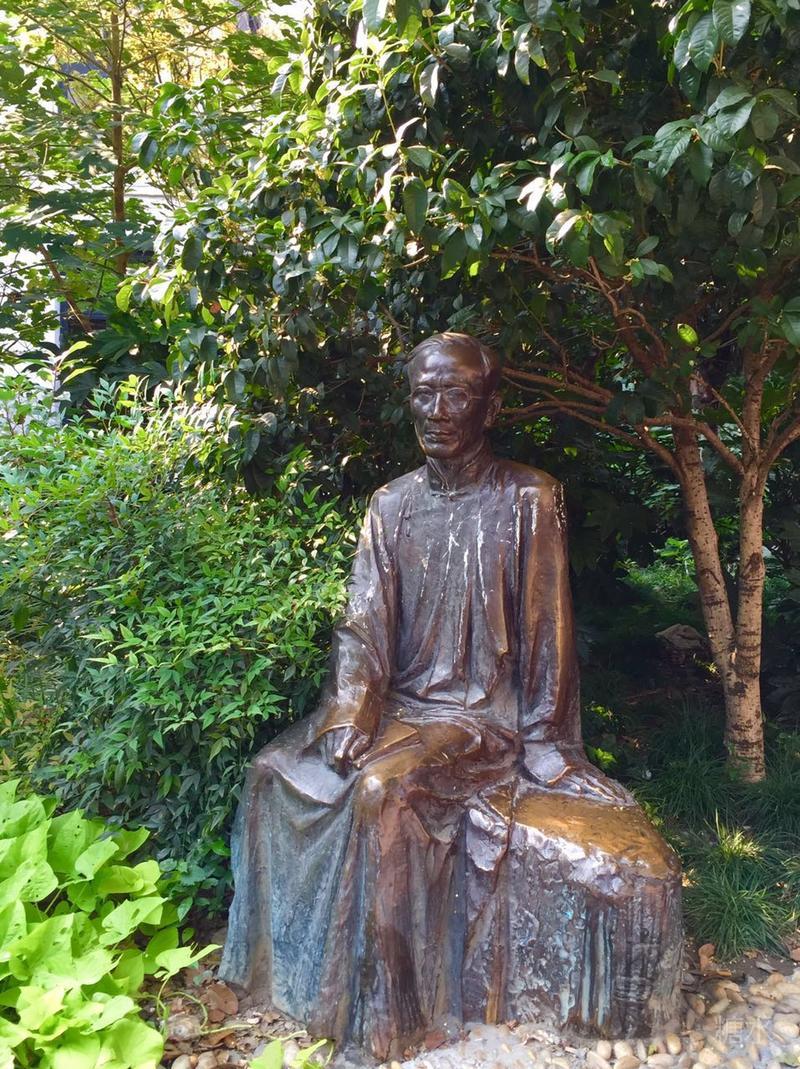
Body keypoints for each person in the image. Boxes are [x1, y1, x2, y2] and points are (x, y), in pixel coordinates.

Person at [220, 333, 681, 1061]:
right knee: (270, 773)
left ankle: (390, 1021)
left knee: (382, 792)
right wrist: (351, 712)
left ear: (489, 407)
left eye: (455, 394)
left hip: (478, 719)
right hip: (397, 706)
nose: (436, 411)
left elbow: (547, 627)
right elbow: (364, 625)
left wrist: (547, 743)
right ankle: (280, 975)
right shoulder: (391, 505)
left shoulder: (528, 499)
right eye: (423, 394)